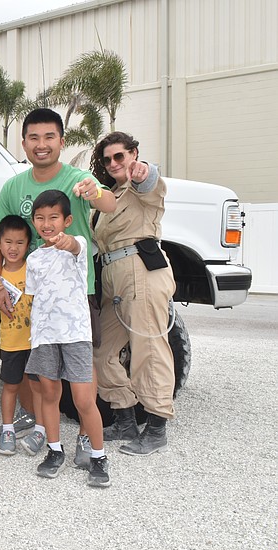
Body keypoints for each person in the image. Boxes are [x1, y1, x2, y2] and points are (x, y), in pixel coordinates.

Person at [0, 108, 116, 469]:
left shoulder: (78, 177)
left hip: (77, 292)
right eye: (33, 138)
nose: (41, 145)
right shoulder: (14, 186)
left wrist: (96, 191)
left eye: (48, 137)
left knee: (81, 369)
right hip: (33, 296)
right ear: (24, 142)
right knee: (40, 369)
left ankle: (89, 439)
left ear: (61, 140)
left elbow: (109, 202)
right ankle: (46, 431)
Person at [89, 132, 176, 456]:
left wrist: (145, 172)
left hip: (140, 271)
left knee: (148, 348)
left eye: (120, 157)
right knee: (102, 350)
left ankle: (156, 428)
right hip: (112, 277)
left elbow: (152, 184)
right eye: (108, 159)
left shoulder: (141, 188)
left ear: (133, 154)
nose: (114, 164)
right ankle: (124, 419)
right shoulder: (107, 195)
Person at [24, 190, 110, 488]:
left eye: (53, 218)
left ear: (67, 220)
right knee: (49, 395)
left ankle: (98, 457)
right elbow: (33, 298)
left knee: (84, 399)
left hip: (75, 335)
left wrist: (67, 241)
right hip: (45, 337)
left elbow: (73, 245)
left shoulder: (79, 246)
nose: (46, 224)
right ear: (33, 221)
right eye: (40, 218)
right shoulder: (33, 259)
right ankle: (55, 450)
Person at [0, 215, 45, 457]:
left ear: (28, 245)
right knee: (10, 386)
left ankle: (39, 430)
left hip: (37, 342)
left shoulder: (34, 270)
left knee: (38, 388)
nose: (13, 248)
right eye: (8, 242)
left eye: (20, 243)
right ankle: (8, 430)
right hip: (11, 343)